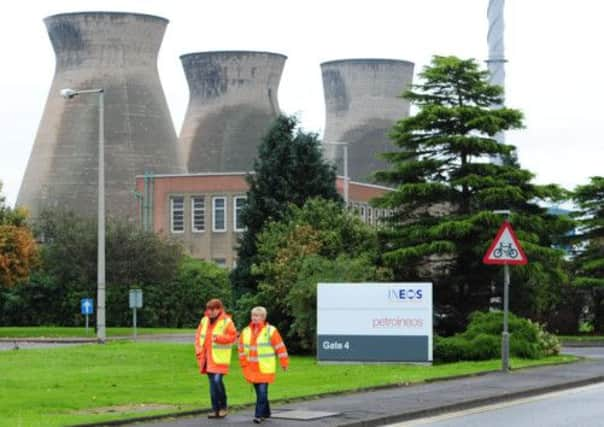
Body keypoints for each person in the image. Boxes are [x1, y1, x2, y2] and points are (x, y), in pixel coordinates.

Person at [238, 306, 289, 424]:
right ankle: (266, 412)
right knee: (260, 393)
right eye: (253, 315)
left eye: (257, 316)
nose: (254, 318)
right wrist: (243, 363)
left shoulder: (271, 330)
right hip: (251, 368)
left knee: (262, 392)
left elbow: (280, 347)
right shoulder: (246, 331)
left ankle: (258, 415)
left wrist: (284, 362)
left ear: (263, 317)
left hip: (265, 368)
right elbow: (241, 349)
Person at [194, 298, 237, 419]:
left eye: (214, 309)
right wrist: (198, 351)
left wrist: (218, 338)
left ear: (219, 309)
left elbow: (233, 337)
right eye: (209, 309)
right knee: (212, 384)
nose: (211, 312)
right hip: (206, 358)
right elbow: (198, 337)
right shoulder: (204, 320)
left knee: (217, 381)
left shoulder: (226, 321)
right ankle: (215, 409)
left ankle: (223, 406)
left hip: (220, 359)